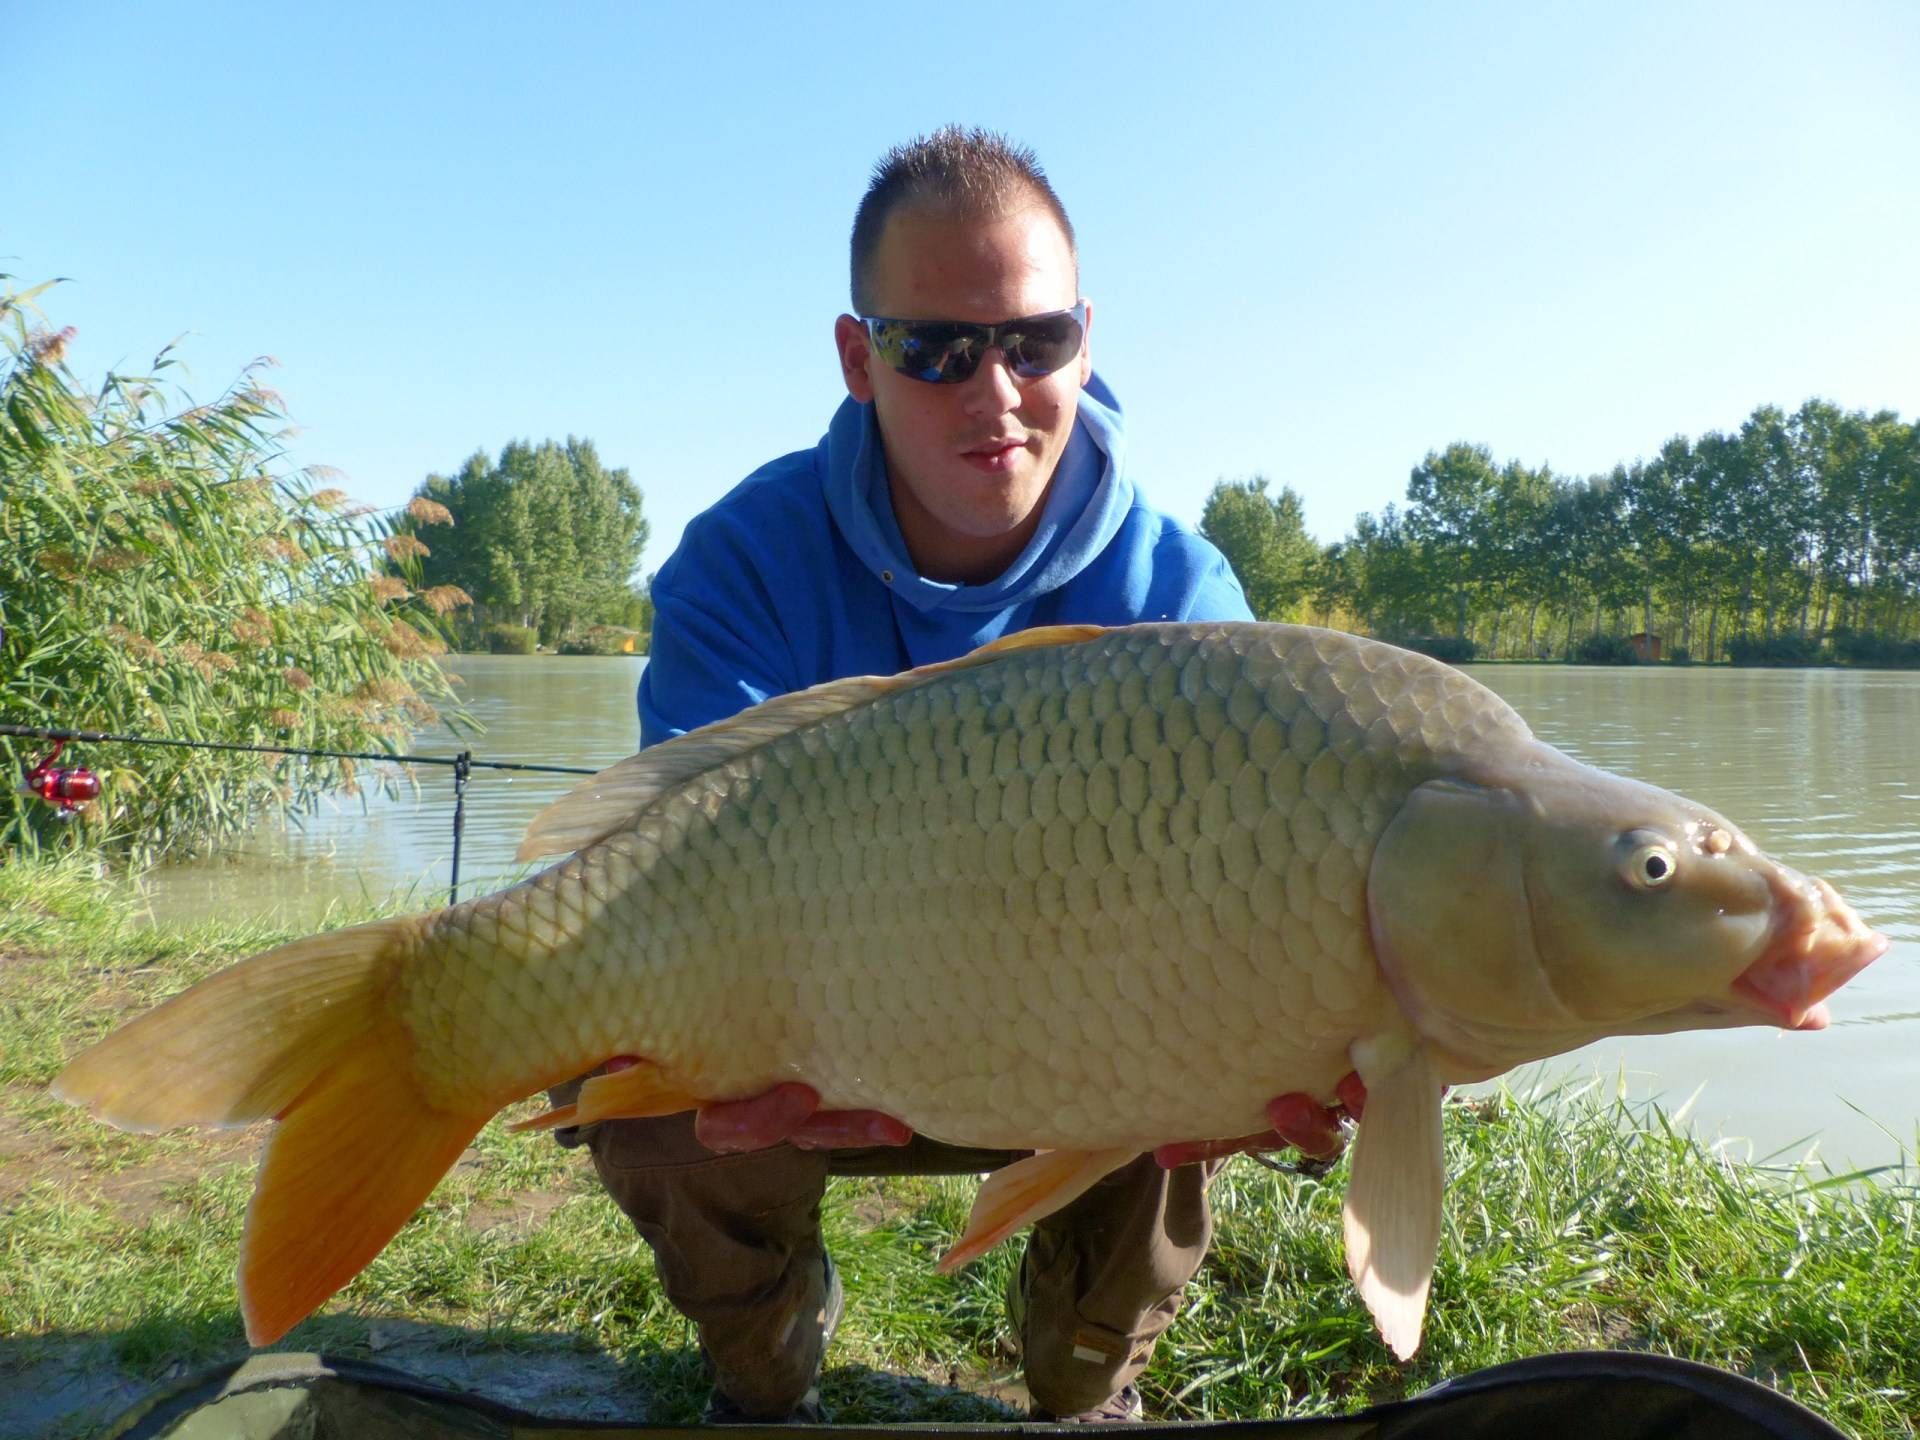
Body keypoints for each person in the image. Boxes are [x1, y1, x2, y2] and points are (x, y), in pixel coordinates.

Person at [552, 127, 1358, 1425]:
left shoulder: (1184, 603)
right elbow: (680, 872)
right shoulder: (742, 563)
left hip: (1078, 1051)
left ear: (1084, 340)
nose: (995, 395)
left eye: (1033, 343)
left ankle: (1084, 1373)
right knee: (618, 1048)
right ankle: (763, 1359)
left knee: (1205, 1042)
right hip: (813, 1037)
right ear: (858, 358)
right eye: (938, 350)